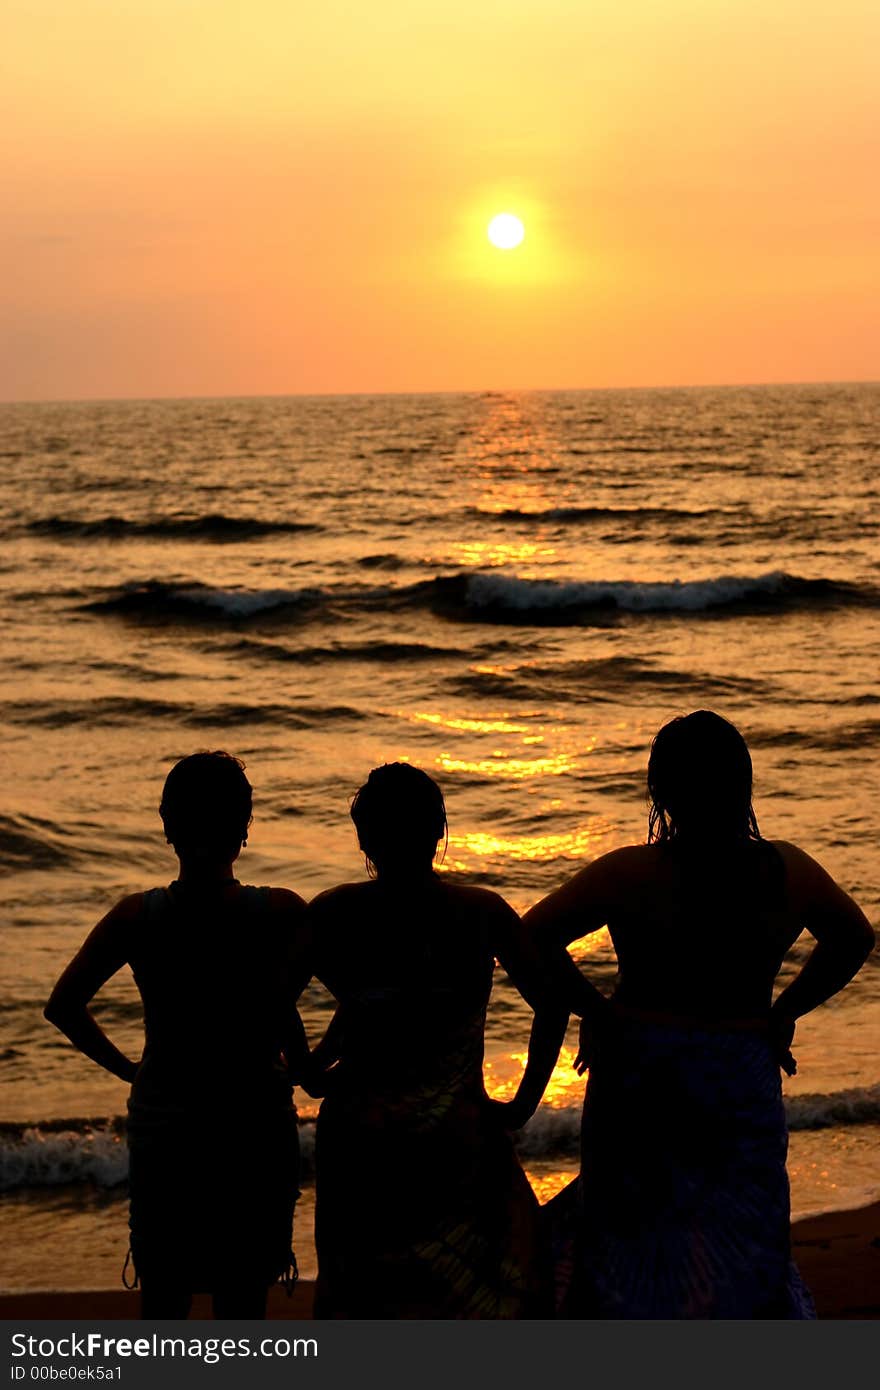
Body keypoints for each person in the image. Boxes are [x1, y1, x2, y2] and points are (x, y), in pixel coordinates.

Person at [524, 710, 875, 1319]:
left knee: (628, 1241)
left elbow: (529, 938)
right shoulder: (787, 870)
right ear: (744, 785)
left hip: (639, 1072)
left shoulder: (629, 872)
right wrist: (784, 1011)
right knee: (743, 1239)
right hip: (738, 1069)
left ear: (660, 791)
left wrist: (593, 1009)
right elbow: (853, 938)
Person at [44, 751, 311, 1319]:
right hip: (254, 1128)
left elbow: (64, 1006)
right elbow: (360, 991)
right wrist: (313, 1066)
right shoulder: (280, 912)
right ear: (245, 827)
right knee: (243, 1306)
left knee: (164, 1299)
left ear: (167, 826)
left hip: (168, 1128)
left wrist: (130, 1070)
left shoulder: (138, 917)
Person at [304, 762, 568, 1319]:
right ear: (440, 830)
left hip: (360, 1136)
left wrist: (308, 1068)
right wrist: (522, 1104)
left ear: (363, 837)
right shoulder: (480, 912)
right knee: (481, 1291)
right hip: (454, 1131)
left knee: (362, 1295)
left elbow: (269, 999)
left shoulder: (332, 912)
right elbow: (552, 1003)